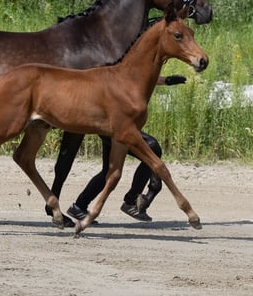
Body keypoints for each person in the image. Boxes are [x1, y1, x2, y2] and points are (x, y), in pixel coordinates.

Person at [65, 74, 186, 223]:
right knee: (153, 148)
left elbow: (139, 76)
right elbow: (132, 76)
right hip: (113, 123)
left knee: (108, 172)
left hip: (109, 123)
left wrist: (165, 81)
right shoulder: (118, 57)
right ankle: (132, 201)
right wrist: (164, 81)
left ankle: (79, 206)